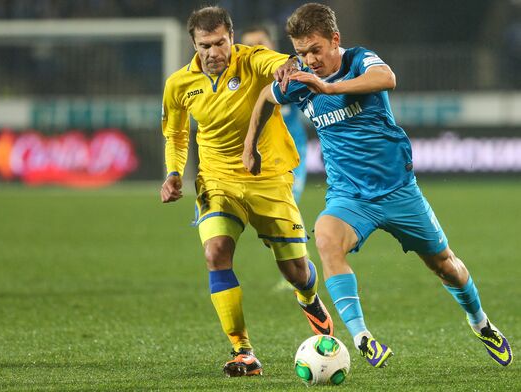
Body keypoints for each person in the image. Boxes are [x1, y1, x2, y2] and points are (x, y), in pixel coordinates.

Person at [243, 2, 512, 369]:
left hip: (399, 191)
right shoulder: (299, 81)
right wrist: (250, 148)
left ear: (335, 39)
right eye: (302, 52)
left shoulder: (359, 61)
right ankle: (361, 337)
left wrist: (327, 87)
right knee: (324, 237)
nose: (310, 59)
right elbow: (263, 98)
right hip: (350, 196)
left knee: (446, 265)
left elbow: (387, 79)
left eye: (316, 50)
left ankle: (481, 323)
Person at [160, 6, 334, 377]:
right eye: (205, 45)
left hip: (268, 177)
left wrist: (288, 65)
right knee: (216, 251)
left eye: (220, 42)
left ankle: (308, 297)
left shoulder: (250, 60)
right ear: (194, 44)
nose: (214, 52)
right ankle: (243, 351)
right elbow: (175, 133)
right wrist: (174, 173)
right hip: (217, 179)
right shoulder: (179, 84)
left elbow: (277, 62)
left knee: (295, 270)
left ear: (231, 38)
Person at [241, 26, 309, 203]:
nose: (255, 50)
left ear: (272, 44)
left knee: (285, 206)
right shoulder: (236, 81)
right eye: (249, 45)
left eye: (260, 44)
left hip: (289, 149)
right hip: (252, 150)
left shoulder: (289, 71)